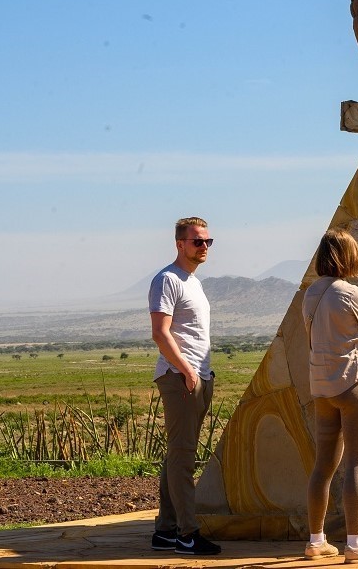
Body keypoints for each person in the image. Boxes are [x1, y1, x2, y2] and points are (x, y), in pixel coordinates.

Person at [302, 228, 358, 563]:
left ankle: (316, 540)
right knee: (357, 464)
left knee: (323, 465)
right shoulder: (350, 293)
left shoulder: (310, 294)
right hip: (353, 382)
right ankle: (355, 543)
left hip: (321, 385)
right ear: (348, 256)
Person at [149, 216, 222, 556]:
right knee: (183, 457)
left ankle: (166, 530)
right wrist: (187, 371)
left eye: (208, 241)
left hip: (197, 376)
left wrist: (201, 374)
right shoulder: (167, 280)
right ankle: (187, 535)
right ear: (180, 244)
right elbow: (160, 333)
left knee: (177, 454)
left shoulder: (193, 282)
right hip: (180, 378)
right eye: (197, 241)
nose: (204, 246)